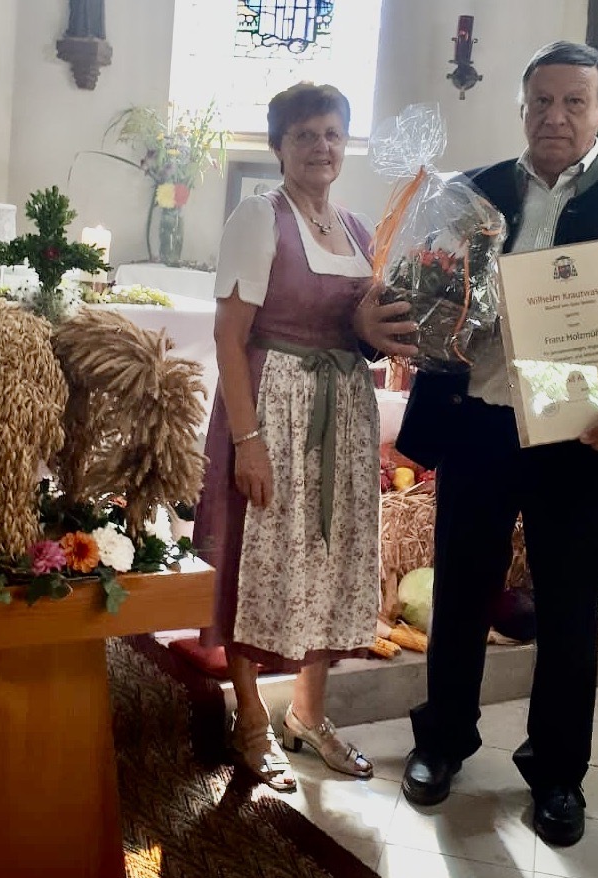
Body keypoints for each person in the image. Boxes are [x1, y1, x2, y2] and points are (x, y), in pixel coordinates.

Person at [358, 41, 598, 847]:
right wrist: (375, 321)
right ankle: (441, 742)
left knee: (569, 614)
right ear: (522, 108)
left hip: (586, 437)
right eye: (541, 101)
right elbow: (413, 302)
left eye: (574, 102)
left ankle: (559, 774)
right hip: (481, 424)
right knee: (460, 596)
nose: (555, 116)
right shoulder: (468, 194)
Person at [194, 82, 409, 792]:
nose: (321, 147)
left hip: (341, 415)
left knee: (328, 559)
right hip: (273, 410)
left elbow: (366, 327)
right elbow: (228, 336)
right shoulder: (259, 217)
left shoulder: (356, 227)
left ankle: (309, 714)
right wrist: (247, 440)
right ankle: (251, 719)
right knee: (257, 557)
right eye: (305, 135)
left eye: (332, 134)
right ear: (279, 146)